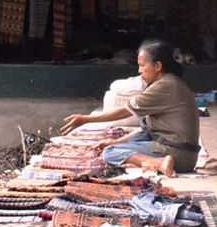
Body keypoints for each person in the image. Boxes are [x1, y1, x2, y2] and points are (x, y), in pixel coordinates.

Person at [61, 39, 200, 176]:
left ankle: (159, 163)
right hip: (182, 152)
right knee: (137, 135)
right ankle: (146, 161)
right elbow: (147, 131)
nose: (139, 70)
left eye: (142, 65)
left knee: (110, 152)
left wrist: (85, 119)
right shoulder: (169, 82)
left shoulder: (165, 86)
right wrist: (114, 141)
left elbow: (125, 111)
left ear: (157, 66)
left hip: (179, 156)